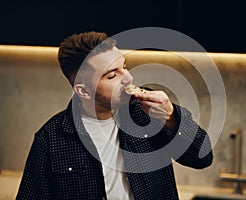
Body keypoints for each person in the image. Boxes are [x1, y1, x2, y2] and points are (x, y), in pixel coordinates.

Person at [16, 31, 213, 200]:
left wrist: (170, 117)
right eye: (112, 75)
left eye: (124, 67)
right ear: (83, 91)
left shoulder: (147, 112)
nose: (128, 78)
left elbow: (202, 157)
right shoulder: (51, 139)